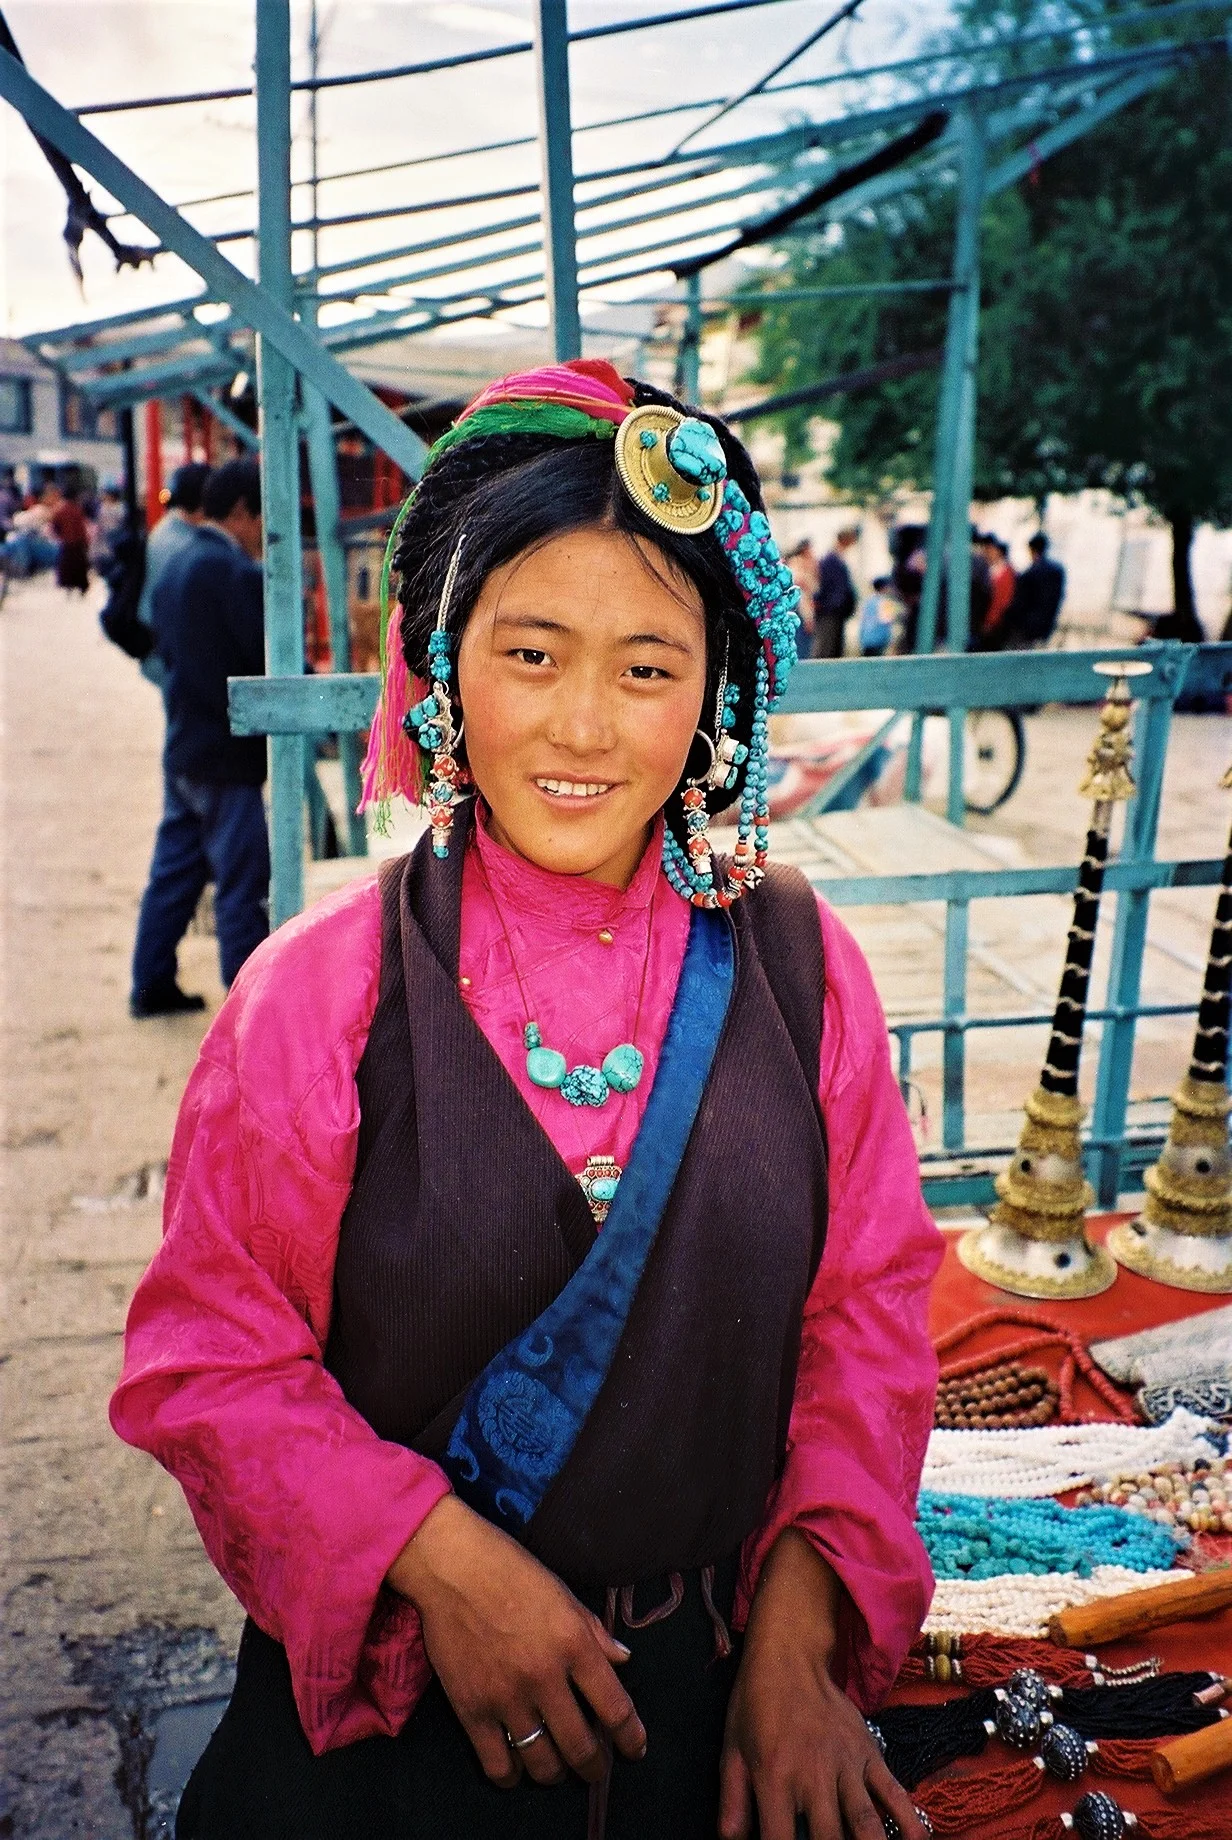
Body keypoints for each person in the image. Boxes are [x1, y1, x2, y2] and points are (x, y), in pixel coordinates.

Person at [110, 363, 941, 1840]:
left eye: (647, 666)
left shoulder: (808, 973)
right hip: (400, 1742)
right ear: (442, 663)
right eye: (532, 654)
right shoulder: (319, 998)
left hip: (720, 1716)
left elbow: (865, 1317)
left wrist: (805, 1638)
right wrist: (435, 1557)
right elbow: (212, 1364)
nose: (585, 730)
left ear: (718, 691)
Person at [128, 458, 269, 1018]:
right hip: (226, 756)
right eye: (263, 518)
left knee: (174, 874)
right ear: (241, 512)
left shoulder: (178, 563)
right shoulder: (232, 574)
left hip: (184, 747)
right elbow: (264, 658)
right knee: (242, 885)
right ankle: (248, 1013)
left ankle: (151, 982)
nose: (265, 534)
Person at [1007, 532, 1065, 646]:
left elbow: (1019, 604)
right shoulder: (1057, 572)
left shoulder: (1029, 574)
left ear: (1031, 549)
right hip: (1047, 628)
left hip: (1025, 630)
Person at [813, 524, 859, 658]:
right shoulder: (830, 559)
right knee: (828, 646)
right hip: (830, 608)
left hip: (837, 609)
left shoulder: (838, 557)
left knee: (835, 646)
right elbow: (827, 584)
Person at [51, 482, 91, 593]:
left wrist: (60, 536)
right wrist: (85, 541)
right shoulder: (77, 510)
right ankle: (82, 588)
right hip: (78, 542)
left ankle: (68, 586)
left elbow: (55, 526)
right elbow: (82, 527)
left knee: (67, 566)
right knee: (79, 566)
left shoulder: (60, 510)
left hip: (66, 543)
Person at [785, 537, 818, 657]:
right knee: (800, 640)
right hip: (799, 605)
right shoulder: (797, 563)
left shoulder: (809, 564)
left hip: (804, 604)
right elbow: (801, 584)